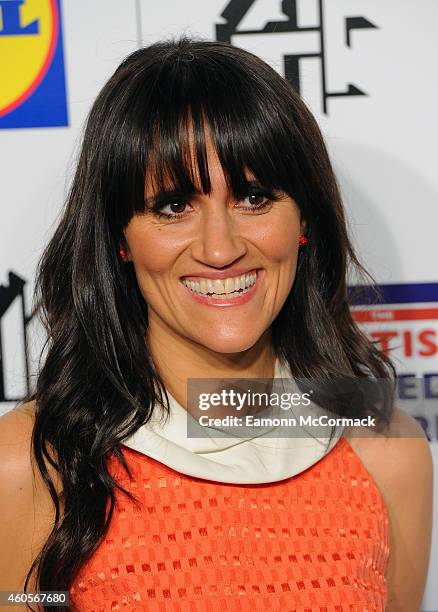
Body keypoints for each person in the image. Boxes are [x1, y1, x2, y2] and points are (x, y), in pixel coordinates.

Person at [0, 36, 433, 612]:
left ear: (304, 220)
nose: (220, 248)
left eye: (254, 197)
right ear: (119, 240)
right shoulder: (35, 464)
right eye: (174, 205)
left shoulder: (387, 448)